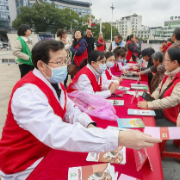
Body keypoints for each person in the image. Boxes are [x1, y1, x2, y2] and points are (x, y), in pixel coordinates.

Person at [0, 40, 161, 180]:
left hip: (50, 150)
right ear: (41, 64)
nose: (65, 66)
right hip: (26, 164)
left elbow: (69, 110)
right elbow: (55, 132)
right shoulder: (28, 93)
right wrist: (118, 137)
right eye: (59, 62)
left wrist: (88, 123)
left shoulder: (53, 82)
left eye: (65, 61)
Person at [138, 46, 180, 126]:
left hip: (171, 118)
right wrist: (153, 97)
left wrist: (150, 104)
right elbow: (159, 88)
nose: (163, 62)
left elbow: (172, 100)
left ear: (175, 62)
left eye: (166, 60)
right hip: (161, 110)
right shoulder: (169, 73)